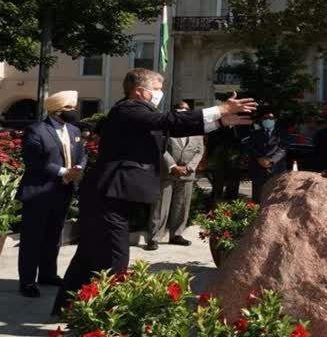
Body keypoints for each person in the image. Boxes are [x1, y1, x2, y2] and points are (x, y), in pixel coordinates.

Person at [52, 68, 256, 315]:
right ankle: (109, 315)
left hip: (111, 194)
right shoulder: (129, 109)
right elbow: (170, 121)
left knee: (90, 253)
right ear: (139, 91)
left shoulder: (140, 114)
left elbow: (175, 128)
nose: (160, 93)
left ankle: (66, 307)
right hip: (107, 194)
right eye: (157, 89)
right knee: (115, 258)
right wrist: (221, 109)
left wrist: (220, 122)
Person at [17, 91, 86, 298]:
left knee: (54, 236)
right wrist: (64, 172)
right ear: (56, 110)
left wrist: (78, 168)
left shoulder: (73, 129)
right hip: (38, 192)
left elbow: (83, 154)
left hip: (62, 191)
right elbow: (34, 160)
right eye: (68, 108)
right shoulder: (36, 130)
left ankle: (48, 274)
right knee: (32, 238)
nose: (73, 111)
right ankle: (27, 281)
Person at [145, 101, 205, 250]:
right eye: (179, 110)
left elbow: (200, 150)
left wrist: (189, 167)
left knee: (182, 205)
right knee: (160, 206)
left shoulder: (196, 130)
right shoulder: (165, 128)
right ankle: (154, 237)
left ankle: (176, 235)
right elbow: (161, 148)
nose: (183, 112)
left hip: (187, 173)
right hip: (168, 171)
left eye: (186, 110)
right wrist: (173, 166)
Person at [247, 111, 287, 204]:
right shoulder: (254, 133)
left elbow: (283, 149)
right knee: (257, 197)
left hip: (276, 168)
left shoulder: (282, 133)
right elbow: (251, 148)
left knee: (275, 196)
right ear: (261, 120)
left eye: (270, 118)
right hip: (258, 168)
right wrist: (260, 158)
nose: (268, 120)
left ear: (275, 120)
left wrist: (271, 161)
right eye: (265, 118)